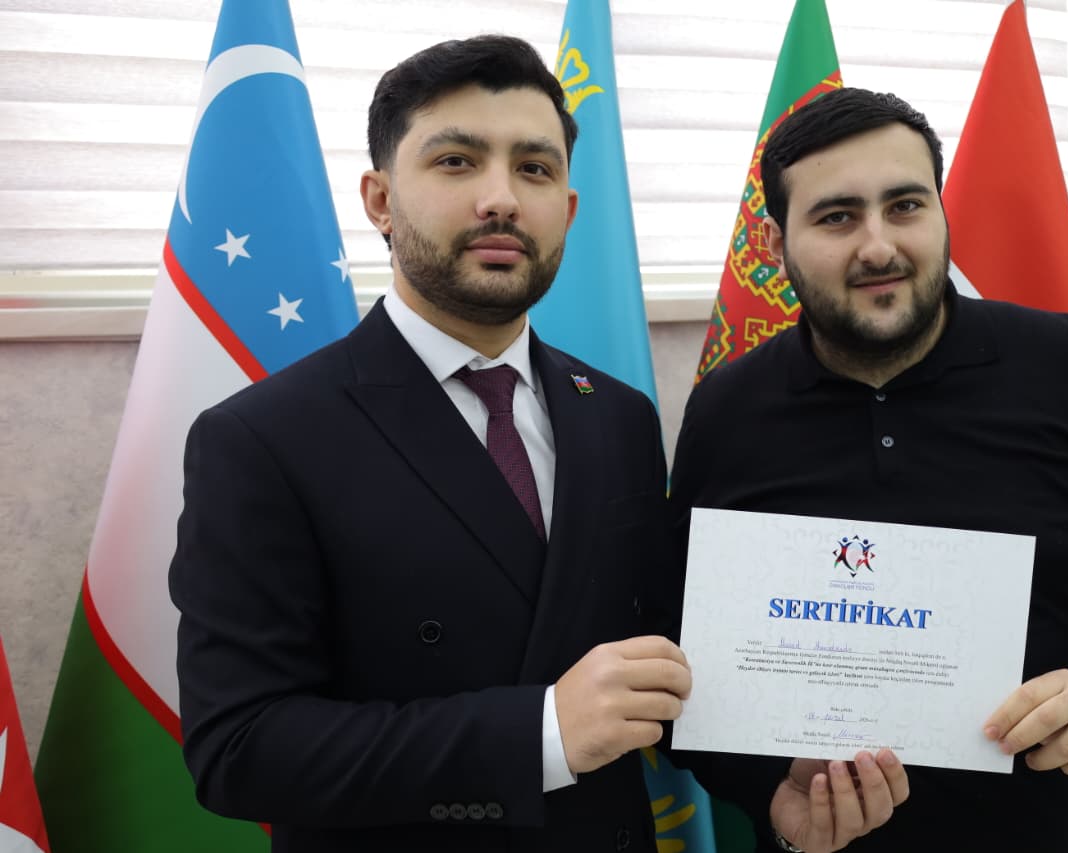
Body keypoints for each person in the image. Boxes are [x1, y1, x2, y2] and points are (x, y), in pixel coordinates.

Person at [169, 36, 904, 853]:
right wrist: (540, 733)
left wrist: (780, 783)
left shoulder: (619, 416)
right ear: (379, 200)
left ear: (570, 208)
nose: (502, 200)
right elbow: (237, 748)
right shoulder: (261, 439)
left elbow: (664, 653)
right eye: (456, 161)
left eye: (534, 168)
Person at [668, 86, 1068, 851]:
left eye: (905, 206)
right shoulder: (727, 411)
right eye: (837, 216)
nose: (878, 246)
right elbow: (680, 647)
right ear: (776, 241)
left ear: (942, 213)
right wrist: (769, 794)